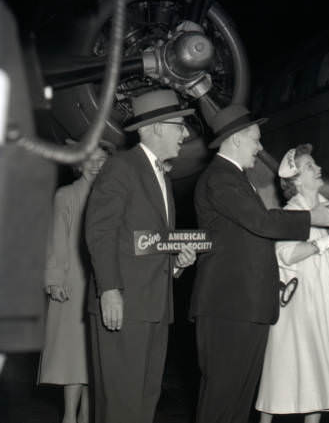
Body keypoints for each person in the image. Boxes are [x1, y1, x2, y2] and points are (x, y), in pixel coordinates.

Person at [190, 105, 329, 423]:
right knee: (222, 400)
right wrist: (311, 217)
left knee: (236, 401)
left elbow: (245, 241)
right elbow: (260, 221)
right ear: (235, 140)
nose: (260, 149)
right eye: (255, 140)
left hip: (245, 305)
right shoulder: (220, 178)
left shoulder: (236, 178)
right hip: (228, 307)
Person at [84, 89, 197, 423]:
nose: (186, 134)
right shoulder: (122, 167)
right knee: (121, 404)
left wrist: (176, 263)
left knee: (145, 400)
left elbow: (149, 242)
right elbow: (100, 231)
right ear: (159, 127)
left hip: (155, 307)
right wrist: (109, 290)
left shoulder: (161, 173)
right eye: (180, 126)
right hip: (125, 304)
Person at [255, 144, 329, 423]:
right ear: (295, 180)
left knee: (320, 380)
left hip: (325, 303)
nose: (318, 169)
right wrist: (328, 241)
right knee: (279, 379)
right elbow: (286, 254)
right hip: (298, 308)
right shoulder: (291, 212)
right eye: (310, 166)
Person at [38, 140, 112, 423]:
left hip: (106, 284)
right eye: (89, 159)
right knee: (73, 357)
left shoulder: (112, 195)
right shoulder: (66, 195)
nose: (95, 164)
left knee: (96, 360)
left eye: (102, 159)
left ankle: (86, 416)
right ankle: (70, 416)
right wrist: (54, 279)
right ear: (79, 163)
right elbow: (56, 239)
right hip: (73, 286)